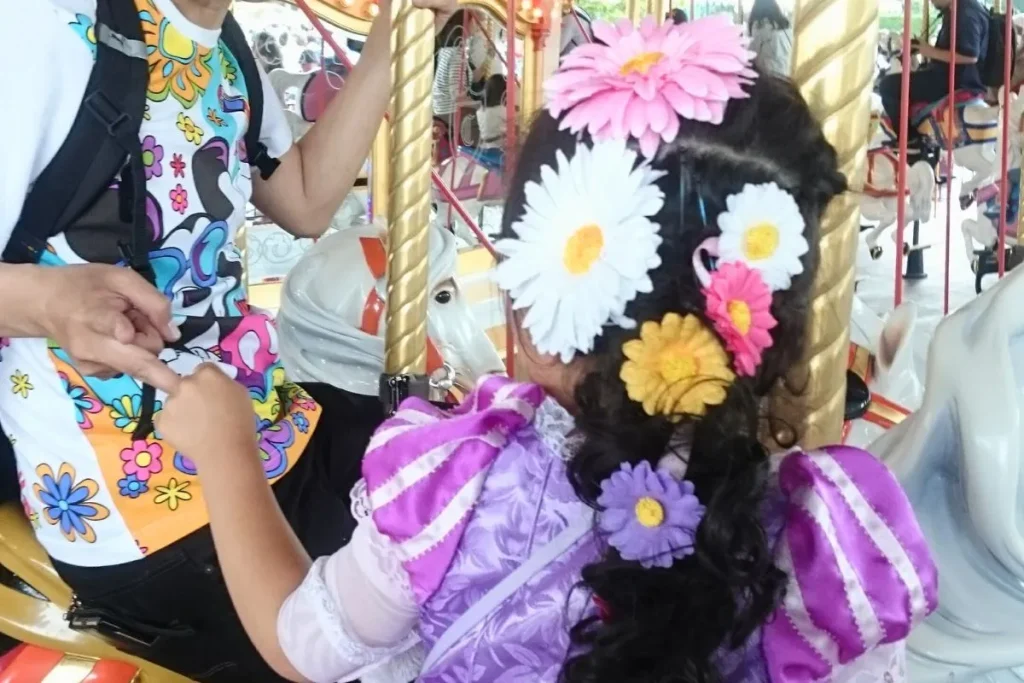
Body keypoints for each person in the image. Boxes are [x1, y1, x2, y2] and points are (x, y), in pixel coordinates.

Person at [157, 16, 938, 683]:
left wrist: (226, 450)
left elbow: (306, 645)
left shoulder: (458, 488)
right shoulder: (821, 547)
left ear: (533, 306)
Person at [0, 0, 453, 679]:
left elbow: (302, 199)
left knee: (461, 490)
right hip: (137, 496)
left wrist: (402, 25)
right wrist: (45, 300)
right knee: (385, 651)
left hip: (262, 424)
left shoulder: (221, 41)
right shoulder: (42, 26)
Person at [878, 0, 989, 150]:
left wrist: (930, 51)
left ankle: (910, 141)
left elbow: (970, 55)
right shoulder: (958, 8)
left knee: (888, 86)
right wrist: (923, 48)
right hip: (951, 76)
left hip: (955, 80)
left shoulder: (965, 12)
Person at [747, 0, 793, 77]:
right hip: (786, 74)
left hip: (768, 77)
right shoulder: (785, 25)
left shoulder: (759, 25)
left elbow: (751, 53)